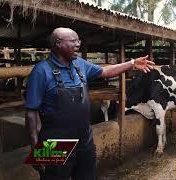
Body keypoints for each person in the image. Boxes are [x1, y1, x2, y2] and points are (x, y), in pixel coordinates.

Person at [25, 27, 154, 180]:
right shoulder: (40, 71)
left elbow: (105, 72)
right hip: (53, 143)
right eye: (73, 41)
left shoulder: (79, 64)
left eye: (78, 40)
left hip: (84, 140)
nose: (78, 44)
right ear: (58, 44)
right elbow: (31, 112)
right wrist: (35, 146)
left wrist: (132, 63)